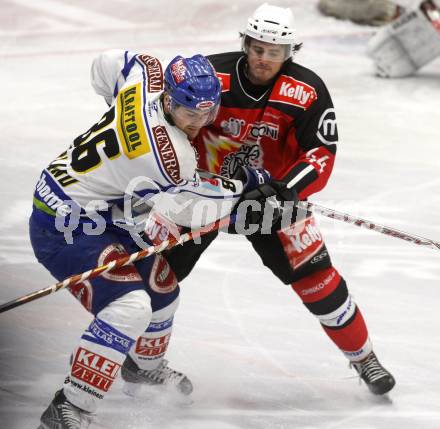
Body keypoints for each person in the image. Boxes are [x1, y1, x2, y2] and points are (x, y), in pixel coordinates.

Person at [31, 50, 283, 428]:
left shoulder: (144, 75)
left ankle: (142, 370)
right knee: (129, 308)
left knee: (162, 291)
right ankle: (70, 406)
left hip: (97, 207)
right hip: (63, 226)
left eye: (207, 112)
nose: (199, 122)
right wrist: (249, 185)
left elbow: (104, 65)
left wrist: (119, 118)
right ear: (168, 99)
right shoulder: (171, 155)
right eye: (190, 113)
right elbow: (189, 209)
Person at [164, 3, 396, 396]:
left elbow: (320, 153)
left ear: (289, 52)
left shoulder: (305, 90)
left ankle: (363, 357)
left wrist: (286, 189)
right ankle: (141, 360)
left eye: (274, 52)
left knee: (318, 280)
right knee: (158, 275)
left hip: (269, 200)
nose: (263, 59)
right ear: (245, 43)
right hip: (202, 193)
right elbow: (165, 117)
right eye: (256, 48)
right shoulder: (212, 76)